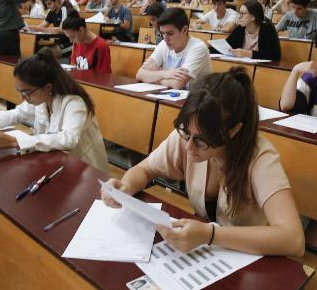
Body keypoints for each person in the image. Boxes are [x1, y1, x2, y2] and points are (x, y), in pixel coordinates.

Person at [102, 68, 305, 256]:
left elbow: (293, 240)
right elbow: (145, 169)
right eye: (186, 132)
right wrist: (126, 187)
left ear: (233, 131)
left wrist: (210, 235)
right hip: (210, 253)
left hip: (249, 257)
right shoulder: (190, 135)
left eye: (202, 141)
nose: (189, 147)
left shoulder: (260, 157)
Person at [0, 48, 109, 171]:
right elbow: (16, 113)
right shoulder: (41, 97)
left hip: (83, 168)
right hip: (53, 160)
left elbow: (69, 139)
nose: (23, 97)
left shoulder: (74, 102)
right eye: (19, 91)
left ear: (48, 87)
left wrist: (17, 141)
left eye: (26, 92)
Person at [137, 8, 212, 89]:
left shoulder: (198, 48)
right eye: (163, 33)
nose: (165, 38)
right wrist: (165, 74)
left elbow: (177, 84)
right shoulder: (163, 44)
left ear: (184, 30)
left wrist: (153, 77)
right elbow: (140, 74)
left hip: (198, 99)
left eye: (170, 33)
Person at [210, 0, 281, 61]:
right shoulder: (240, 28)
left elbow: (275, 55)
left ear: (253, 17)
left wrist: (248, 54)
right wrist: (207, 50)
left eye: (243, 13)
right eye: (239, 13)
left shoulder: (267, 29)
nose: (239, 17)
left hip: (262, 70)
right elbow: (228, 45)